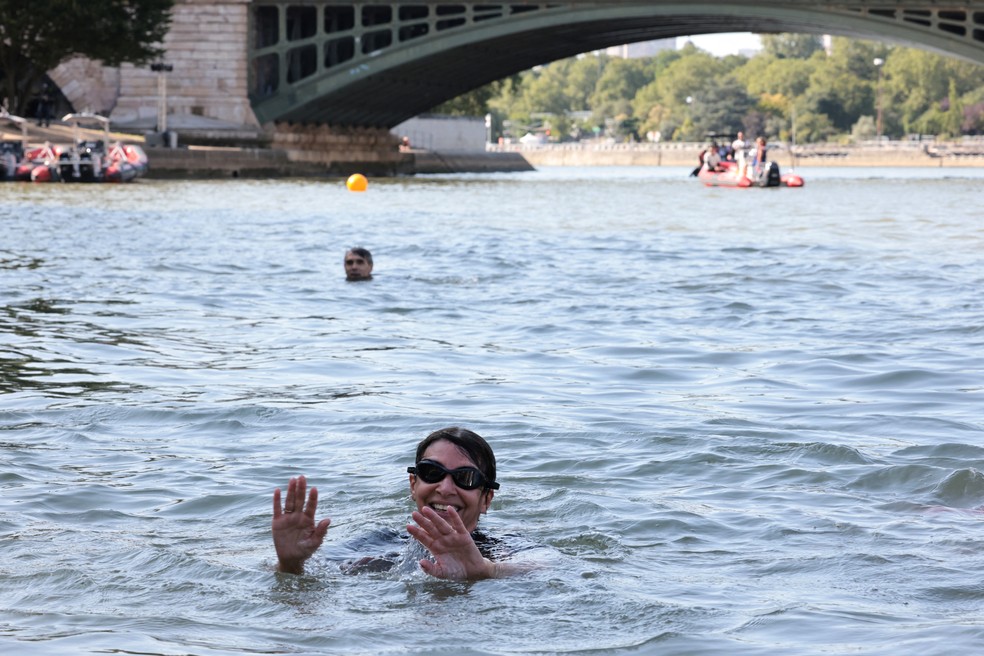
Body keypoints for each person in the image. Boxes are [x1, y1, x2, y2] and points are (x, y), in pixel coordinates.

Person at [272, 426, 530, 580]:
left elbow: (547, 567)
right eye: (432, 472)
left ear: (486, 498)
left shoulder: (504, 550)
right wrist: (291, 563)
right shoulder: (379, 545)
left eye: (465, 478)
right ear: (413, 484)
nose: (445, 488)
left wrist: (484, 571)